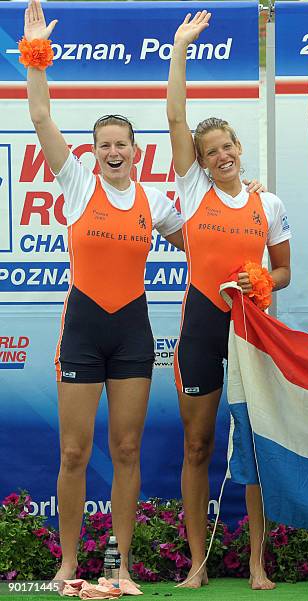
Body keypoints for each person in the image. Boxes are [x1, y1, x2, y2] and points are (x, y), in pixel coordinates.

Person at [23, 0, 185, 584]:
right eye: (104, 144)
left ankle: (118, 567)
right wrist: (36, 56)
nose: (114, 151)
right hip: (85, 329)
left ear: (136, 152)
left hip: (133, 332)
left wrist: (247, 195)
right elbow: (41, 117)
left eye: (123, 144)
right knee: (73, 453)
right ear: (93, 152)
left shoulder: (158, 201)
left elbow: (204, 241)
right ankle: (68, 565)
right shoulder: (75, 183)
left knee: (125, 451)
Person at [167, 12, 291, 590]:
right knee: (198, 443)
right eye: (209, 150)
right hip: (201, 323)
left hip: (252, 329)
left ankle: (258, 564)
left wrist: (261, 284)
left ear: (239, 148)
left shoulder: (269, 204)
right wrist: (181, 49)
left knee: (254, 446)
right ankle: (197, 563)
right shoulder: (193, 188)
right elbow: (176, 113)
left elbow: (285, 270)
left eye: (226, 147)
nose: (220, 156)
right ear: (200, 159)